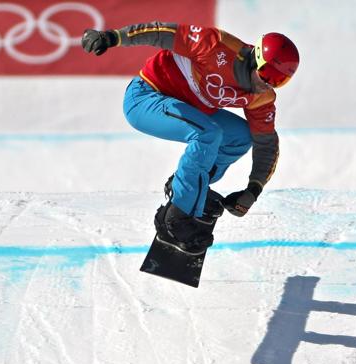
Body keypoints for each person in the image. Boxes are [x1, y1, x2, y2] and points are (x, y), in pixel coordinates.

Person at [81, 22, 299, 254]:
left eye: (279, 81)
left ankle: (191, 189)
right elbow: (161, 33)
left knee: (241, 136)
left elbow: (266, 145)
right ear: (256, 59)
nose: (268, 83)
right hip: (146, 97)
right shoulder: (217, 46)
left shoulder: (262, 97)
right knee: (208, 133)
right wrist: (113, 37)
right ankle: (175, 219)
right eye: (267, 73)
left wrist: (253, 189)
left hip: (191, 108)